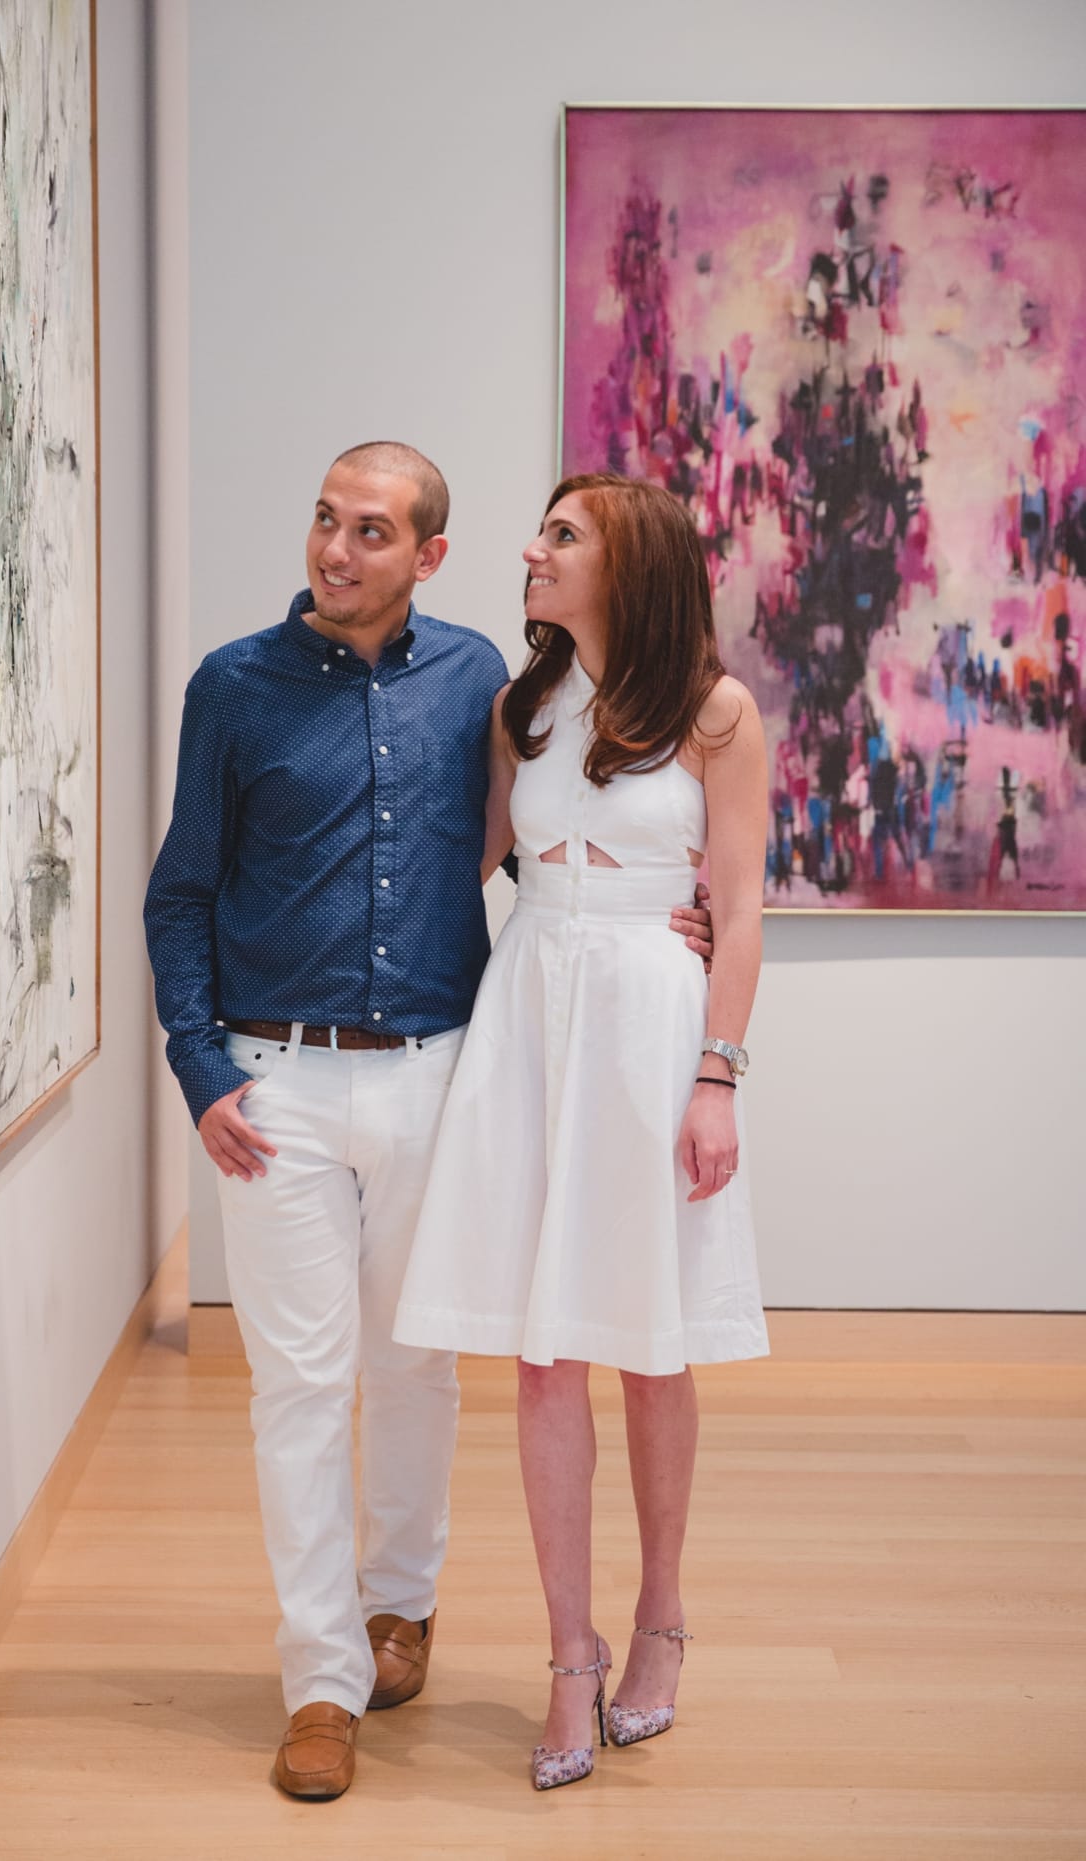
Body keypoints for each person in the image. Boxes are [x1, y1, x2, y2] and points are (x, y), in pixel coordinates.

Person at [143, 443, 715, 1800]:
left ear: (428, 556)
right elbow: (180, 890)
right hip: (270, 1083)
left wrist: (669, 916)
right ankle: (321, 1677)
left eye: (373, 530)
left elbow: (561, 832)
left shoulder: (486, 685)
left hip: (444, 1071)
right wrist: (200, 1065)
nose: (337, 551)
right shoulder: (231, 685)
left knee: (415, 1369)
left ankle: (402, 1608)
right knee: (296, 1386)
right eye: (326, 522)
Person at [394, 472, 769, 1791]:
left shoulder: (719, 715)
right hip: (532, 1014)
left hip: (655, 1031)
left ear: (630, 561)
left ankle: (662, 1611)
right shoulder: (524, 706)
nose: (532, 551)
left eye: (561, 535)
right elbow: (478, 852)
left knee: (650, 1347)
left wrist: (717, 1074)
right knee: (543, 1355)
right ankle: (570, 1648)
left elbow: (741, 902)